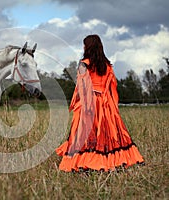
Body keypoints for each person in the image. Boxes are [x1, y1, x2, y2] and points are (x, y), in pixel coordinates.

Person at [56, 34, 144, 172]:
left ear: (87, 47)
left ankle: (86, 161)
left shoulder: (84, 64)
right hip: (105, 104)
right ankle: (116, 159)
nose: (83, 47)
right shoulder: (107, 65)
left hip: (89, 102)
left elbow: (81, 87)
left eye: (84, 45)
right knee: (108, 132)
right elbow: (112, 86)